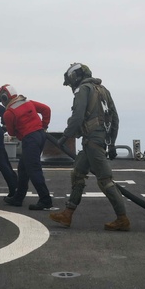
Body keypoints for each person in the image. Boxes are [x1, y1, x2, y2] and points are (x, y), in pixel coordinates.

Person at [49, 63, 130, 231]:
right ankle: (68, 214)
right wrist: (112, 143)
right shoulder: (103, 90)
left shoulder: (82, 90)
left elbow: (77, 116)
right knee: (78, 173)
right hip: (94, 141)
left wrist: (65, 137)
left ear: (75, 77)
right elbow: (114, 118)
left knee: (105, 181)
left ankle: (122, 218)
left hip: (92, 142)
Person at [0, 84, 54, 210]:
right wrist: (44, 125)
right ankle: (18, 198)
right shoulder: (28, 102)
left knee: (33, 169)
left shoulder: (8, 113)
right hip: (40, 135)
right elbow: (46, 110)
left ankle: (45, 199)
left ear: (4, 97)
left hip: (30, 139)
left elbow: (12, 133)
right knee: (23, 168)